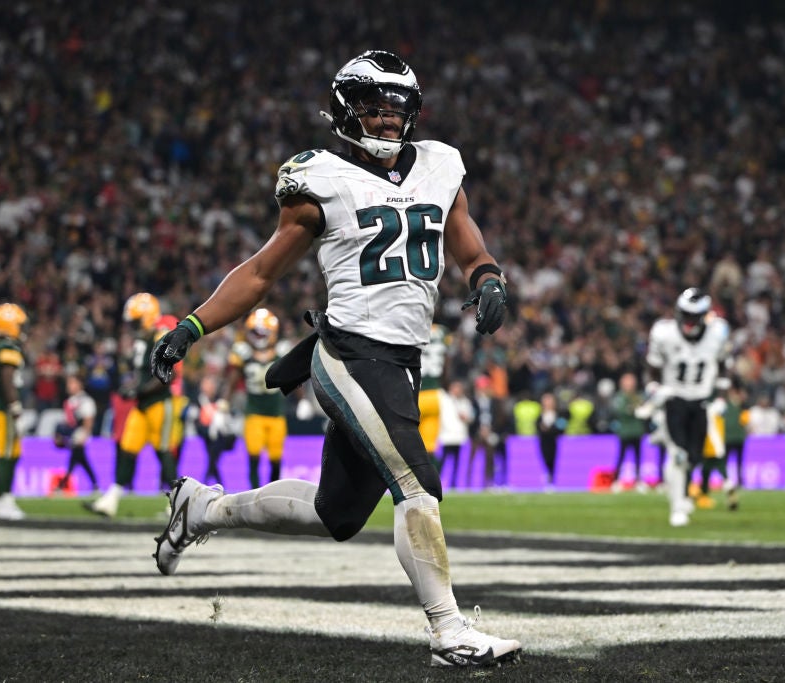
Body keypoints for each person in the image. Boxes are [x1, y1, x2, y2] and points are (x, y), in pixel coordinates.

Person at [148, 50, 522, 667]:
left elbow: (466, 239)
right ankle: (448, 632)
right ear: (347, 113)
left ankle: (202, 508)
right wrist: (191, 326)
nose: (388, 125)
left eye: (397, 113)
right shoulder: (319, 177)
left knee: (337, 513)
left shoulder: (439, 164)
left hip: (402, 359)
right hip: (348, 352)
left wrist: (486, 278)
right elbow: (263, 273)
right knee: (415, 483)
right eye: (374, 113)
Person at [87, 297, 186, 517]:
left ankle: (177, 504)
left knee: (164, 452)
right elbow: (142, 374)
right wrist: (130, 387)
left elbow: (169, 373)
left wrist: (138, 390)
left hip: (161, 402)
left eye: (135, 320)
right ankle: (111, 500)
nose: (132, 325)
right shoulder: (144, 338)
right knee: (128, 448)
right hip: (142, 404)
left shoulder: (161, 334)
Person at [644, 288, 731, 527]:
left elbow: (723, 365)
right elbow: (653, 365)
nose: (689, 321)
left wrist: (720, 397)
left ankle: (680, 492)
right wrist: (654, 387)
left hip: (701, 400)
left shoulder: (717, 333)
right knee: (678, 455)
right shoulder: (665, 333)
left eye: (694, 316)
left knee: (694, 457)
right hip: (675, 398)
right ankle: (677, 506)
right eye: (685, 314)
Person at [225, 308, 292, 488]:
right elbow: (233, 379)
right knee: (253, 456)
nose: (258, 335)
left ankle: (272, 494)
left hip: (276, 412)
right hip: (254, 412)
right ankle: (254, 494)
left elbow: (293, 376)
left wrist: (302, 400)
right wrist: (223, 403)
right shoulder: (243, 352)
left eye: (261, 331)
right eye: (255, 331)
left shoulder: (281, 350)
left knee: (275, 459)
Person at [0, 303, 29, 521]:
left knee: (12, 452)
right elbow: (7, 378)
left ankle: (2, 500)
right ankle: (2, 501)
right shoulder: (7, 347)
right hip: (3, 407)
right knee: (7, 453)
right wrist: (15, 405)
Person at [55, 372, 99, 494]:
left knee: (75, 459)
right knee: (81, 460)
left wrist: (84, 435)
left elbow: (88, 420)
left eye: (72, 383)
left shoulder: (85, 400)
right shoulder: (69, 401)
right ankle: (95, 484)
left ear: (79, 384)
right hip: (71, 434)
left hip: (79, 435)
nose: (69, 386)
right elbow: (67, 422)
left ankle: (62, 485)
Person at [192, 375, 236, 487]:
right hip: (206, 435)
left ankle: (206, 483)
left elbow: (230, 418)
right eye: (207, 385)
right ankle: (218, 484)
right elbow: (195, 418)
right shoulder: (198, 400)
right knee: (213, 460)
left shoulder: (220, 400)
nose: (209, 387)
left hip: (220, 436)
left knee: (212, 459)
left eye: (211, 385)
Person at [610, 372, 648, 492]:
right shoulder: (620, 397)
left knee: (638, 457)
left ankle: (638, 480)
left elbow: (644, 410)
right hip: (625, 432)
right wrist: (634, 409)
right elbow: (622, 411)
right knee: (620, 457)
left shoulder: (638, 395)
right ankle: (616, 480)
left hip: (637, 431)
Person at [417, 323, 450, 458]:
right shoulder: (443, 331)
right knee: (429, 447)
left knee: (409, 444)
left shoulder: (414, 325)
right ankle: (432, 478)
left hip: (415, 394)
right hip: (435, 395)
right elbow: (447, 363)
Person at [436, 380, 473, 489]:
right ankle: (437, 483)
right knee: (442, 462)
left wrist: (466, 418)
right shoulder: (445, 400)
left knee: (457, 463)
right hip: (446, 437)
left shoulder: (465, 402)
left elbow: (470, 418)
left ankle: (454, 484)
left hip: (459, 437)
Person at [536, 392, 566, 491]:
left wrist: (550, 430)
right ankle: (547, 479)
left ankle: (554, 480)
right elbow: (537, 426)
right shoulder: (539, 416)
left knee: (555, 460)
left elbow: (562, 427)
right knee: (545, 459)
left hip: (555, 441)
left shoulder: (559, 415)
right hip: (544, 441)